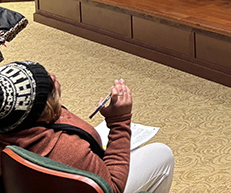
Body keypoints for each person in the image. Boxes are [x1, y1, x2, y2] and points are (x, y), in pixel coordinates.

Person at [0, 61, 174, 193]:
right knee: (162, 154)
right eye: (47, 83)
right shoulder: (69, 150)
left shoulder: (13, 120)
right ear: (46, 110)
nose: (52, 75)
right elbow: (111, 187)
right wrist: (120, 122)